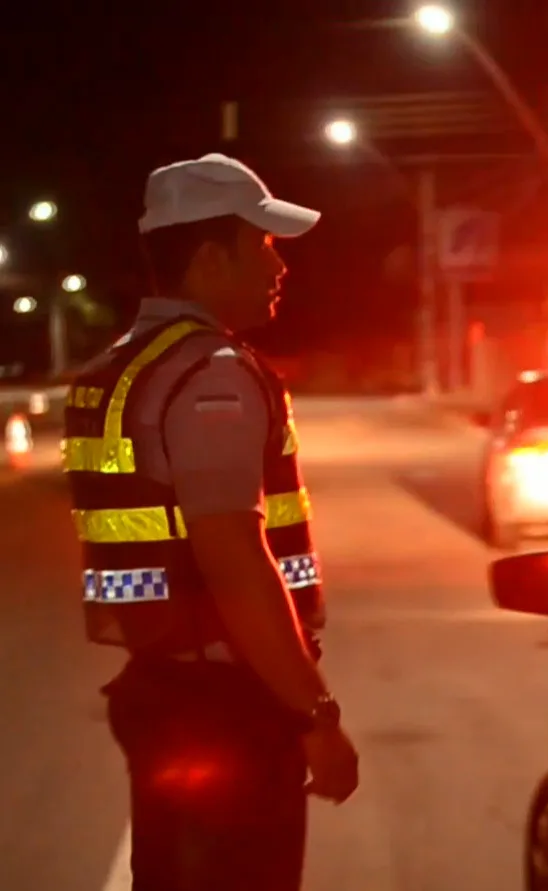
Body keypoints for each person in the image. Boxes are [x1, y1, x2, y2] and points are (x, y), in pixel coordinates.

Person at [61, 153, 359, 890]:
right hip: (226, 706)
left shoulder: (120, 368)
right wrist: (315, 715)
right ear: (206, 257)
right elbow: (233, 557)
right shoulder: (212, 374)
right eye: (261, 243)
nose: (278, 264)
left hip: (162, 683)